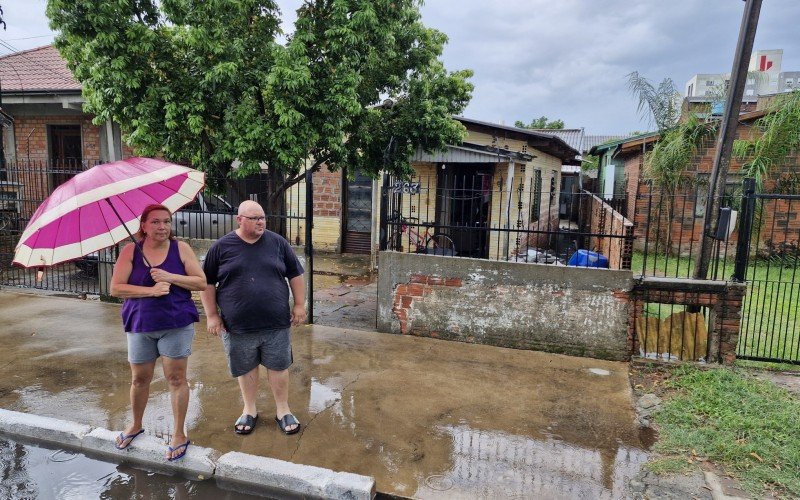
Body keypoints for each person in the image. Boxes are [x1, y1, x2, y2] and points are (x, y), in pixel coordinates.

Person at [200, 200, 306, 436]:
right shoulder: (221, 247)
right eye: (254, 218)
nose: (260, 222)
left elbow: (295, 275)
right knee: (246, 368)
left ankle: (283, 409)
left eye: (262, 217)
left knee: (278, 366)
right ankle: (249, 410)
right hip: (237, 325)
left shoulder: (277, 243)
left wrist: (299, 305)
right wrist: (211, 315)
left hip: (276, 322)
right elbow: (206, 283)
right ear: (240, 220)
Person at [110, 203, 207, 461]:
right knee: (139, 379)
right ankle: (135, 424)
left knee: (176, 379)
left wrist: (170, 276)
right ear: (143, 225)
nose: (162, 226)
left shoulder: (181, 249)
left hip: (176, 324)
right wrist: (150, 291)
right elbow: (116, 288)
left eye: (166, 221)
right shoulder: (130, 251)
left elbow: (201, 282)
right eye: (155, 222)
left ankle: (178, 434)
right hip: (140, 324)